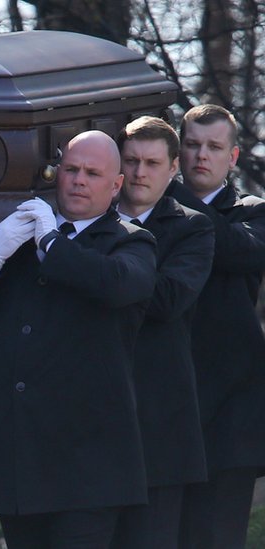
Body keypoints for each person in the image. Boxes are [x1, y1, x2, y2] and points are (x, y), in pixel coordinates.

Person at [0, 130, 156, 547]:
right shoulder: (19, 239)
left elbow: (117, 283)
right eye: (71, 169)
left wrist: (52, 243)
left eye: (92, 173)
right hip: (22, 457)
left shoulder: (130, 241)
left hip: (89, 464)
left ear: (116, 186)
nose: (78, 180)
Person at [108, 116, 214, 548]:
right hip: (95, 418)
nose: (139, 172)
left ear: (173, 169)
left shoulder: (192, 226)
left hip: (160, 422)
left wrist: (102, 278)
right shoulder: (88, 220)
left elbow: (170, 299)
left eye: (152, 163)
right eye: (131, 160)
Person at [168, 104, 265, 549]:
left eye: (213, 147)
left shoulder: (252, 211)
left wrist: (168, 190)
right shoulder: (149, 212)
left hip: (229, 421)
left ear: (234, 156)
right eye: (190, 145)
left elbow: (231, 249)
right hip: (164, 412)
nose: (200, 156)